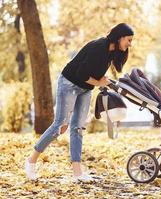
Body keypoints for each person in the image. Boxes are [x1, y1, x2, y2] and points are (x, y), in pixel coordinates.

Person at [25, 23, 134, 182]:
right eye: (129, 40)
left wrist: (105, 82)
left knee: (78, 128)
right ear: (120, 37)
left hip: (85, 88)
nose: (130, 44)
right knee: (60, 125)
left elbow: (96, 76)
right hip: (69, 83)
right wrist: (99, 83)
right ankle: (31, 161)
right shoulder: (98, 47)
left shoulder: (113, 52)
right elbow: (81, 73)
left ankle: (77, 174)